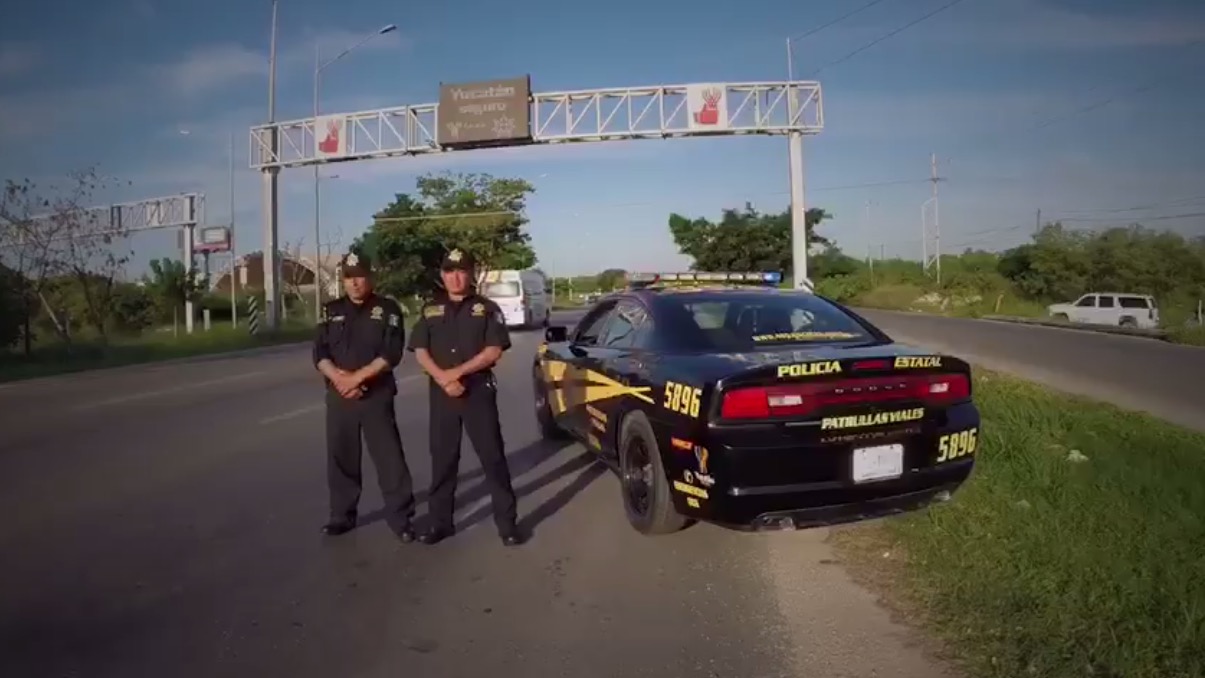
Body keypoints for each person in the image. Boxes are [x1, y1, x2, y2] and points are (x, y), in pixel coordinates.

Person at [407, 248, 523, 546]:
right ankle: (440, 523)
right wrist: (443, 378)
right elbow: (420, 349)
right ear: (442, 275)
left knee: (492, 459)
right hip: (442, 395)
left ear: (471, 274)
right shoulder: (430, 309)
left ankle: (507, 525)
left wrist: (456, 373)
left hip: (477, 393)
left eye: (461, 271)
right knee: (443, 462)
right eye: (449, 272)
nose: (455, 277)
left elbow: (493, 350)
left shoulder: (487, 308)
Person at [312, 251, 417, 542]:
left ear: (370, 277)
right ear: (342, 280)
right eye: (349, 277)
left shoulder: (388, 309)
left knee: (389, 458)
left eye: (360, 276)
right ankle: (341, 516)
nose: (355, 283)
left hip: (376, 395)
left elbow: (391, 353)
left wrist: (357, 379)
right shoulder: (330, 310)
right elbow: (319, 353)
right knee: (341, 457)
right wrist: (340, 380)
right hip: (339, 396)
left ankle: (401, 520)